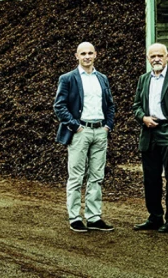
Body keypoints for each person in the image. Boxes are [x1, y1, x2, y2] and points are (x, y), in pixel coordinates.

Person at [54, 42, 115, 233]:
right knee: (76, 176)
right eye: (83, 53)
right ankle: (75, 217)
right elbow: (59, 106)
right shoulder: (68, 78)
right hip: (80, 132)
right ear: (76, 56)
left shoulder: (102, 78)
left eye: (90, 53)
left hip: (100, 131)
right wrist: (75, 126)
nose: (87, 56)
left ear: (96, 54)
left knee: (97, 176)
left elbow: (110, 105)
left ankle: (94, 217)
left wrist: (108, 126)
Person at [132, 43, 168, 233]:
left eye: (159, 56)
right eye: (152, 56)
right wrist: (143, 118)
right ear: (148, 58)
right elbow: (136, 105)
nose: (156, 59)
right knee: (150, 178)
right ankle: (154, 217)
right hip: (149, 133)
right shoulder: (143, 79)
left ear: (167, 57)